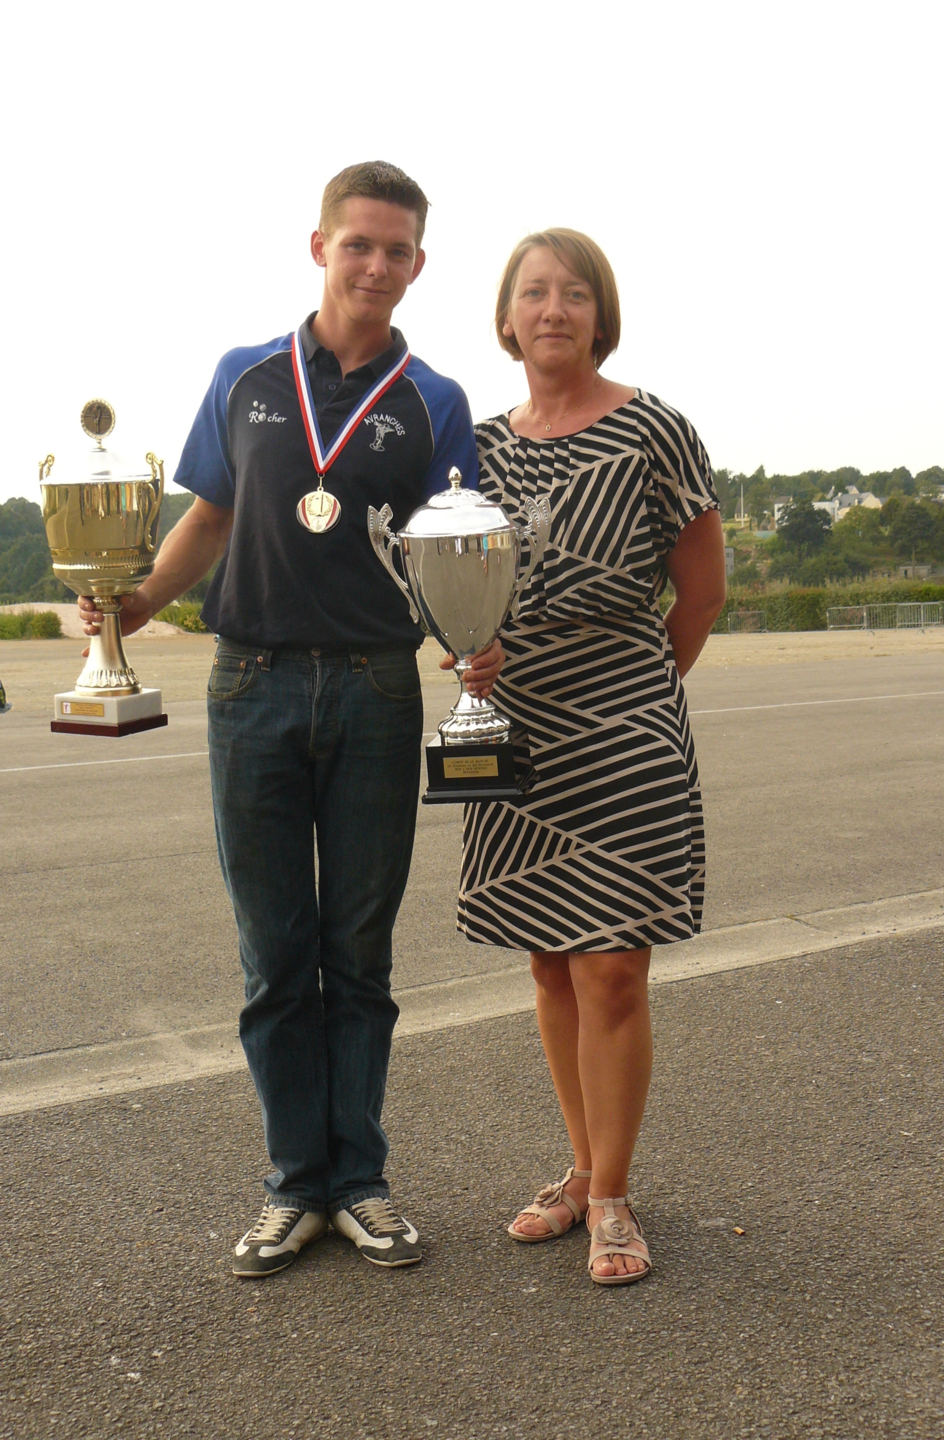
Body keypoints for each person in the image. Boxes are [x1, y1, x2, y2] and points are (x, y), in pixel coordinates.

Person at [80, 161, 501, 1277]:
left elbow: (455, 549)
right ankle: (291, 1184)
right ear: (318, 247)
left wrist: (475, 638)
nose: (375, 265)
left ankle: (358, 1179)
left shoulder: (435, 398)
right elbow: (209, 517)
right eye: (357, 243)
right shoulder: (246, 375)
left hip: (373, 684)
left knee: (357, 957)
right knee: (274, 958)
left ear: (419, 265)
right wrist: (131, 608)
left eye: (396, 250)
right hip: (250, 684)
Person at [456, 229, 726, 1285]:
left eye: (575, 293)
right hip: (517, 732)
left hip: (624, 733)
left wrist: (638, 694)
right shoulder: (473, 450)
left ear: (600, 313)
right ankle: (578, 1168)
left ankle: (611, 1194)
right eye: (534, 293)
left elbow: (700, 593)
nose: (554, 309)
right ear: (508, 317)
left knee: (614, 965)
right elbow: (455, 581)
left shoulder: (654, 429)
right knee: (549, 960)